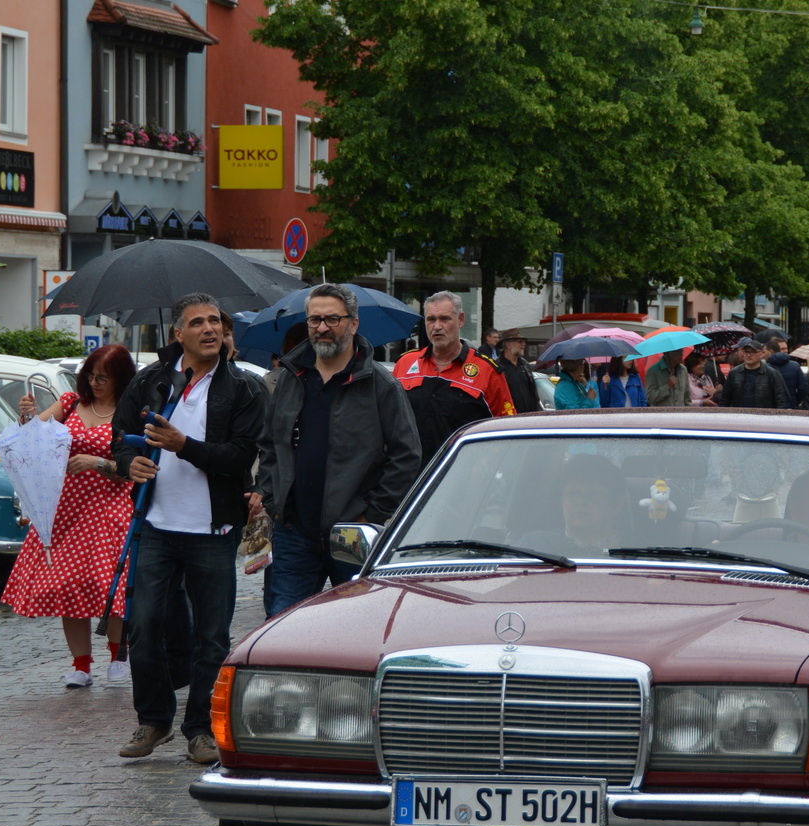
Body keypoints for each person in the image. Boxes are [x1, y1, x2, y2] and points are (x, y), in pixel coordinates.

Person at [112, 295, 265, 764]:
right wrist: (129, 463)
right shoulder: (152, 381)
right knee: (143, 626)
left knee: (212, 636)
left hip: (213, 530)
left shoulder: (244, 387)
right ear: (178, 334)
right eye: (197, 323)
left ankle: (199, 728)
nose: (209, 329)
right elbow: (120, 437)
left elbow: (240, 456)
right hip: (156, 525)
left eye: (215, 321)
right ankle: (154, 719)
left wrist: (184, 446)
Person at [260, 284, 421, 616]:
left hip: (352, 534)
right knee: (283, 624)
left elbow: (407, 455)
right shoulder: (291, 378)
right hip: (294, 532)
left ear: (353, 323)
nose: (322, 327)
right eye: (314, 319)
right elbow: (270, 444)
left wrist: (370, 515)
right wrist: (274, 502)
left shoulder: (380, 384)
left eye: (332, 319)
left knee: (356, 625)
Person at [2, 344, 137, 688]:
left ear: (120, 378)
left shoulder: (130, 411)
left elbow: (135, 467)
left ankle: (118, 654)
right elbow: (32, 438)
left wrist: (96, 463)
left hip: (110, 507)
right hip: (67, 509)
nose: (94, 383)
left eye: (103, 378)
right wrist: (27, 416)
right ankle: (81, 664)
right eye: (90, 376)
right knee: (68, 583)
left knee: (110, 584)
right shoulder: (71, 402)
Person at [394, 291, 515, 461]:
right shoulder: (405, 364)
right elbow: (389, 423)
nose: (437, 326)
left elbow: (508, 431)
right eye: (431, 319)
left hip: (463, 471)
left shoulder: (487, 371)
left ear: (461, 320)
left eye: (445, 319)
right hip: (413, 472)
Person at [721, 336, 788, 408]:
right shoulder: (734, 373)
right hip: (739, 414)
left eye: (753, 352)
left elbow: (780, 400)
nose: (748, 355)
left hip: (762, 414)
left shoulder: (771, 374)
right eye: (746, 351)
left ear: (761, 354)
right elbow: (725, 399)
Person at [497, 328, 539, 414]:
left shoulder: (525, 365)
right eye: (520, 341)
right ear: (508, 345)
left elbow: (534, 394)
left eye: (524, 341)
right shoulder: (497, 367)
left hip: (529, 417)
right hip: (508, 417)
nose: (523, 344)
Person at [762, 337, 806, 408]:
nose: (786, 351)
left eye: (786, 348)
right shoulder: (795, 366)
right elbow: (803, 389)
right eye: (782, 349)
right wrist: (795, 401)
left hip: (772, 408)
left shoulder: (765, 367)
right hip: (790, 406)